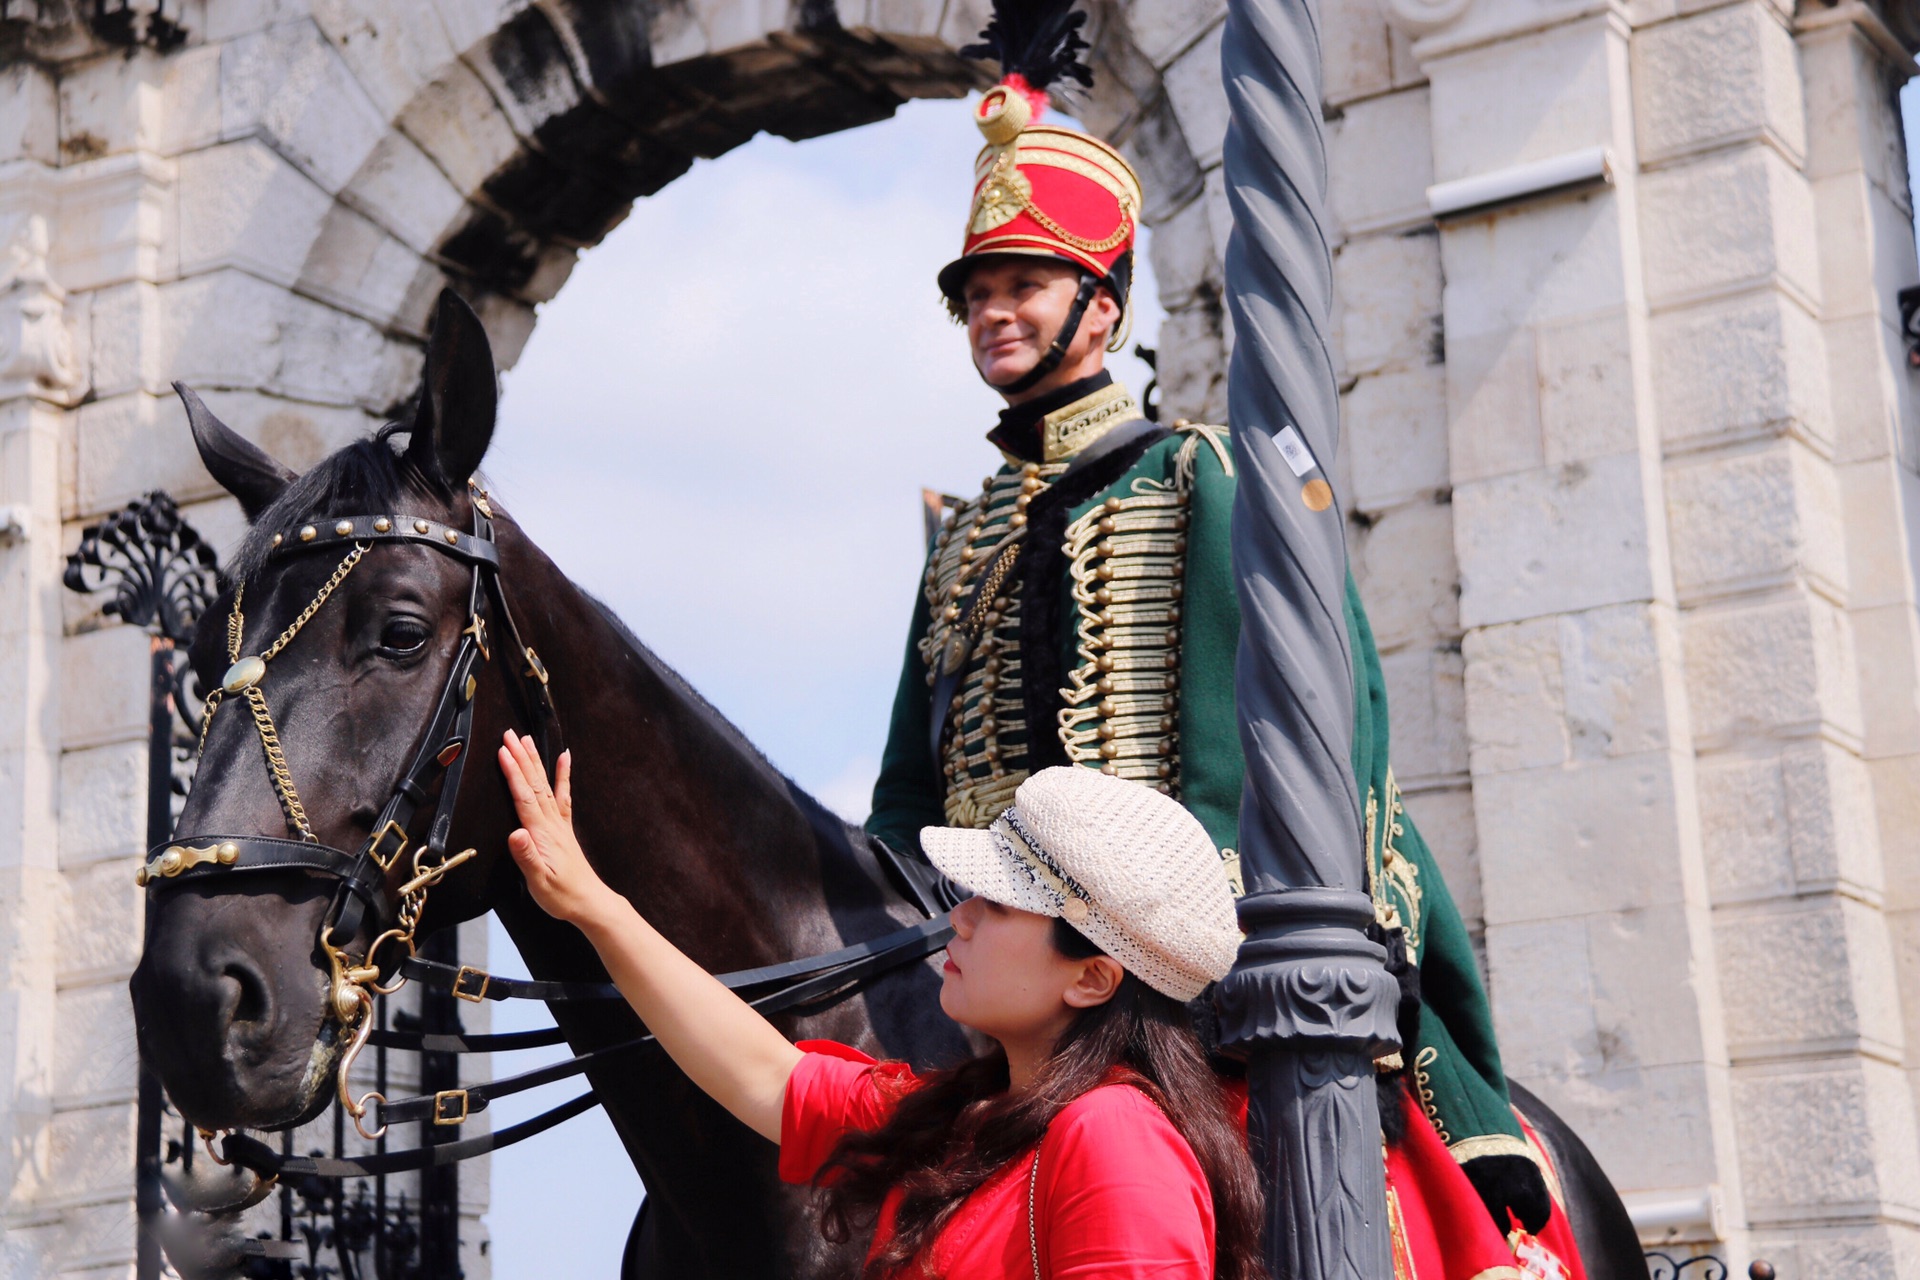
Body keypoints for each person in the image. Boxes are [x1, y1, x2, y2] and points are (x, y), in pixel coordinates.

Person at [863, 0, 1573, 1267]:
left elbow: (1278, 745)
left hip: (1167, 954)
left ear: (1101, 302)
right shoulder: (962, 534)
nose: (992, 314)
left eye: (1022, 285)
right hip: (988, 954)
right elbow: (906, 789)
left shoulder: (1200, 477)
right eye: (975, 293)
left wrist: (1162, 926)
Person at [497, 731, 1268, 1280]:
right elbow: (762, 1072)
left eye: (998, 906)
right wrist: (594, 906)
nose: (959, 917)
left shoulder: (1114, 1139)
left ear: (1093, 980)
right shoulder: (968, 1117)